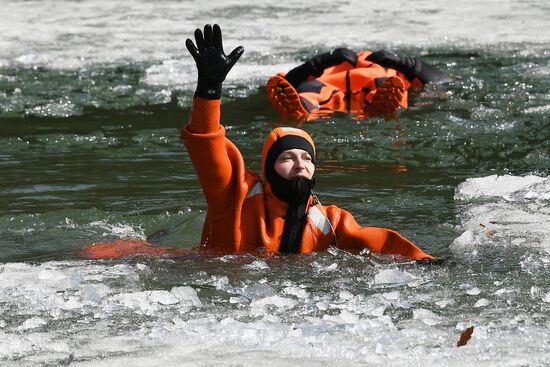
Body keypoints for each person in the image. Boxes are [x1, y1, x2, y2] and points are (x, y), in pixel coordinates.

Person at [180, 24, 434, 260]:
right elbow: (206, 146)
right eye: (287, 157)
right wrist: (209, 90)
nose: (300, 165)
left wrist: (428, 262)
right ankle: (305, 106)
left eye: (307, 158)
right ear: (269, 167)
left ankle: (360, 107)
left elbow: (379, 242)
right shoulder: (235, 194)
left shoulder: (329, 221)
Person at [266, 46, 450, 121]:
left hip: (376, 85)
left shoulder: (386, 67)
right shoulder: (331, 67)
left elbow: (443, 81)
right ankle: (303, 107)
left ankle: (378, 107)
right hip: (330, 85)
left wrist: (407, 63)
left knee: (386, 84)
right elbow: (285, 84)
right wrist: (316, 64)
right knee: (311, 90)